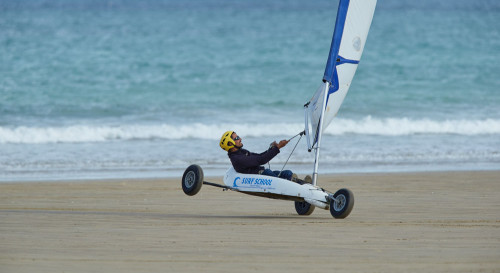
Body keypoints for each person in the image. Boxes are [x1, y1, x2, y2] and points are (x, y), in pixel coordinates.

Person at [219, 130, 305, 182]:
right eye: (237, 138)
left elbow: (259, 156)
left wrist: (272, 148)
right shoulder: (238, 159)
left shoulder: (241, 152)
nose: (240, 139)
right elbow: (261, 160)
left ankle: (301, 183)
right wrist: (278, 147)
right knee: (283, 177)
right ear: (230, 143)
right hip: (262, 178)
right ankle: (298, 184)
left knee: (288, 173)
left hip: (264, 174)